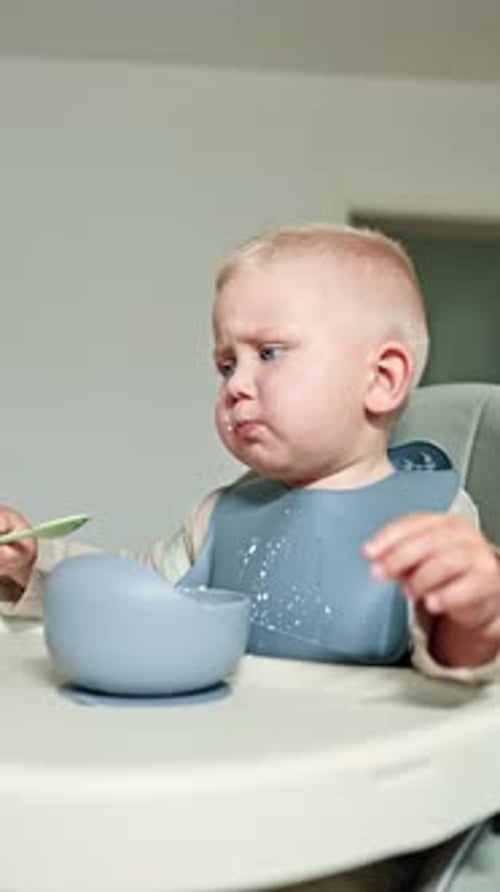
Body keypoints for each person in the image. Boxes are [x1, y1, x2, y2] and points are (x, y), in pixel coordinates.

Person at [0, 223, 499, 891]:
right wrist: (32, 566)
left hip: (347, 824)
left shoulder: (431, 517)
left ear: (381, 379)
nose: (236, 384)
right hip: (217, 792)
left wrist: (472, 609)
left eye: (270, 352)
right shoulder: (223, 514)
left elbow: (459, 665)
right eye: (226, 364)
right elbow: (140, 598)